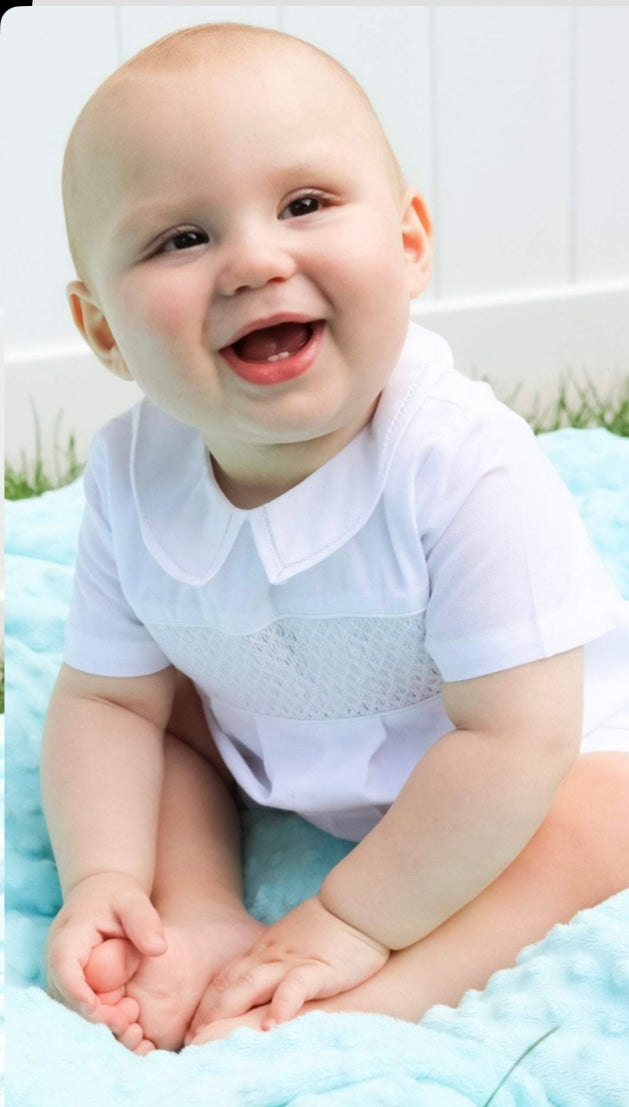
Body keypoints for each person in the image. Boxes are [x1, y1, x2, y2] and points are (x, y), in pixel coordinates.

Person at [42, 22, 629, 1055]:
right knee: (161, 720)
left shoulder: (459, 463)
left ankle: (393, 994)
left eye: (304, 205)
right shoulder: (133, 476)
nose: (254, 261)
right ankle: (199, 908)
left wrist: (350, 920)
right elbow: (105, 702)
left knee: (605, 809)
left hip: (515, 761)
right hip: (281, 740)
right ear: (101, 333)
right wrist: (104, 874)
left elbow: (512, 739)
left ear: (407, 246)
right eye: (182, 238)